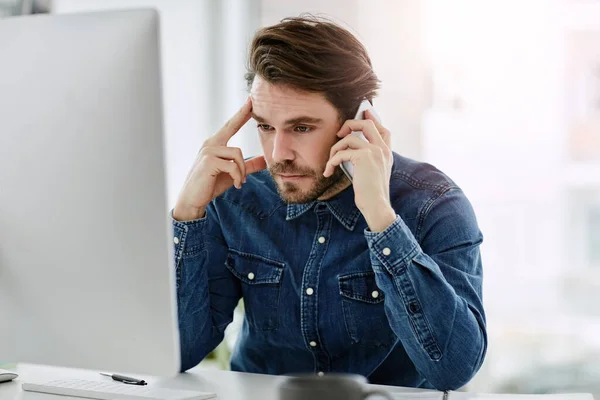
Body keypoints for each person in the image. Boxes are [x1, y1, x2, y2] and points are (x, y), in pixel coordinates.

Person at [171, 16, 487, 390]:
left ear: (357, 119)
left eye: (301, 128)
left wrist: (382, 220)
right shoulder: (235, 196)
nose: (278, 154)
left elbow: (452, 370)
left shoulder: (433, 204)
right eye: (266, 126)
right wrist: (187, 215)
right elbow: (179, 353)